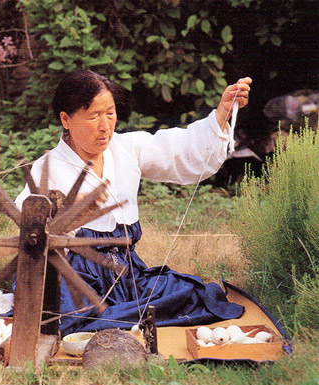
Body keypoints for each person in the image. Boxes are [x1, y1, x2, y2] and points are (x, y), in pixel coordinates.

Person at [15, 69, 251, 336]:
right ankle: (114, 318)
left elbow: (179, 149)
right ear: (66, 119)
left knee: (193, 294)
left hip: (128, 274)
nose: (105, 126)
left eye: (110, 113)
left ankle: (119, 316)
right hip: (77, 278)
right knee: (66, 316)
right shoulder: (49, 166)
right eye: (93, 116)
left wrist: (222, 112)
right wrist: (71, 208)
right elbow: (29, 224)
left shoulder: (125, 149)